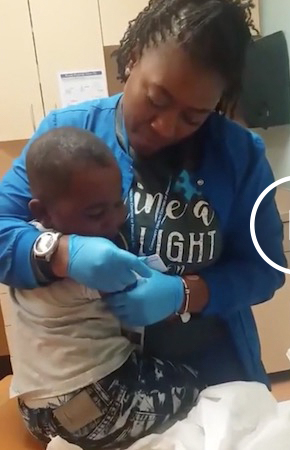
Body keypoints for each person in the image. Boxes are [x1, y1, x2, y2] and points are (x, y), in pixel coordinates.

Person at [0, 0, 284, 440]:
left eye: (193, 116)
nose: (166, 127)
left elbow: (265, 270)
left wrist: (185, 293)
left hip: (213, 381)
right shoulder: (69, 134)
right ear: (132, 58)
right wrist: (61, 253)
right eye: (156, 100)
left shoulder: (239, 156)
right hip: (101, 382)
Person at [12, 127, 213, 448]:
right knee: (201, 388)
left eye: (119, 204)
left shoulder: (28, 252)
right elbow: (150, 293)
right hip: (96, 401)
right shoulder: (94, 264)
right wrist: (178, 291)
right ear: (43, 212)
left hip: (34, 409)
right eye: (95, 213)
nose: (114, 220)